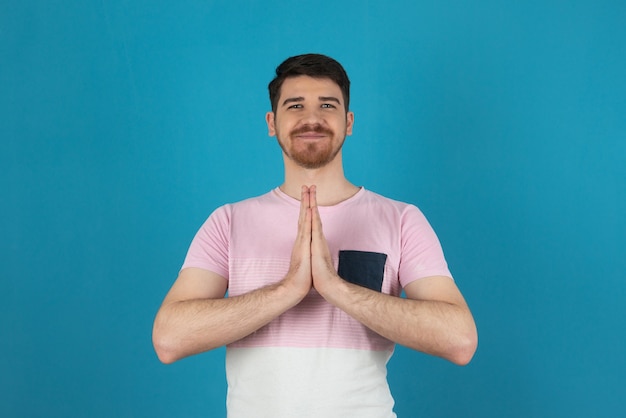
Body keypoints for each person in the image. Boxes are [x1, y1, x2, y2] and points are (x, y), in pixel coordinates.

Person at [152, 53, 477, 417]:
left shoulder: (401, 219)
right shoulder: (228, 222)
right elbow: (169, 339)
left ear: (348, 121)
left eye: (327, 104)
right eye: (295, 105)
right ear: (272, 122)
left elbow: (460, 340)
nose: (312, 118)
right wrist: (288, 290)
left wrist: (336, 288)